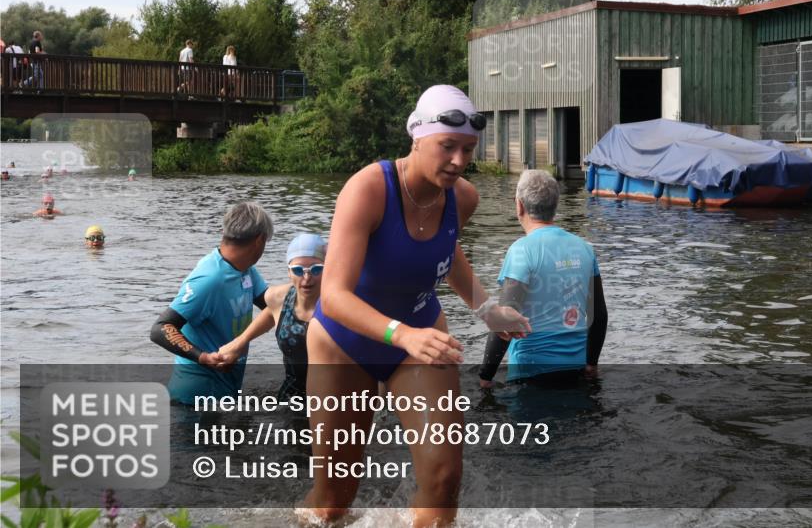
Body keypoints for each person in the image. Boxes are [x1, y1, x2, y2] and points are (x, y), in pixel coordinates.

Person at [301, 84, 529, 527]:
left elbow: (447, 251)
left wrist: (486, 310)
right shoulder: (368, 188)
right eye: (448, 147)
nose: (460, 161)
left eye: (468, 149)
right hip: (344, 343)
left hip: (423, 336)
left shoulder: (463, 197)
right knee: (334, 502)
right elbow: (333, 295)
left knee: (444, 478)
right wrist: (401, 333)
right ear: (417, 137)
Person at [478, 170, 608, 389]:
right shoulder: (585, 248)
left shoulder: (521, 251)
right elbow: (599, 314)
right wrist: (591, 364)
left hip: (530, 374)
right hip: (575, 370)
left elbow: (505, 320)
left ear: (519, 205)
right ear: (555, 205)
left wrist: (485, 377)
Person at [149, 201, 274, 405]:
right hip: (194, 396)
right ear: (260, 240)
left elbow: (273, 307)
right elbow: (161, 328)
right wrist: (204, 357)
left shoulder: (245, 269)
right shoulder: (210, 279)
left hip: (225, 387)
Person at [219, 233, 326, 401]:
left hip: (334, 396)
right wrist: (239, 343)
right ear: (289, 273)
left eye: (316, 269)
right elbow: (271, 313)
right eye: (298, 270)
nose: (307, 278)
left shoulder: (340, 305)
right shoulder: (277, 297)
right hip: (292, 395)